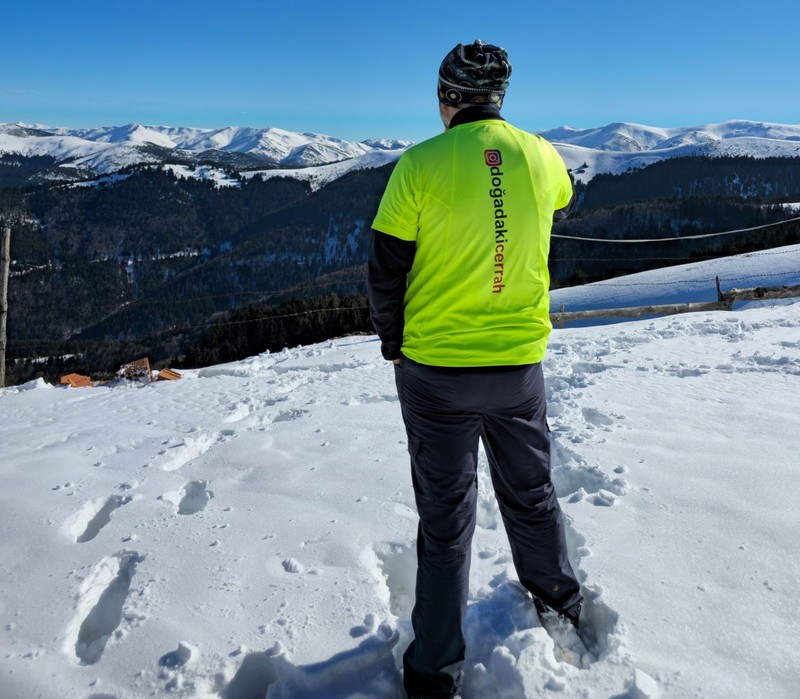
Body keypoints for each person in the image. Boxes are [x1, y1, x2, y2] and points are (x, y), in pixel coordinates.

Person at [367, 40, 582, 699]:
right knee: (531, 492)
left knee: (446, 519)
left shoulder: (419, 164)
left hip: (437, 372)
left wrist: (394, 341)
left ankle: (435, 670)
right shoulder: (542, 156)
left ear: (449, 98)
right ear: (498, 98)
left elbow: (386, 267)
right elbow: (561, 201)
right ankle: (560, 604)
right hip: (518, 363)